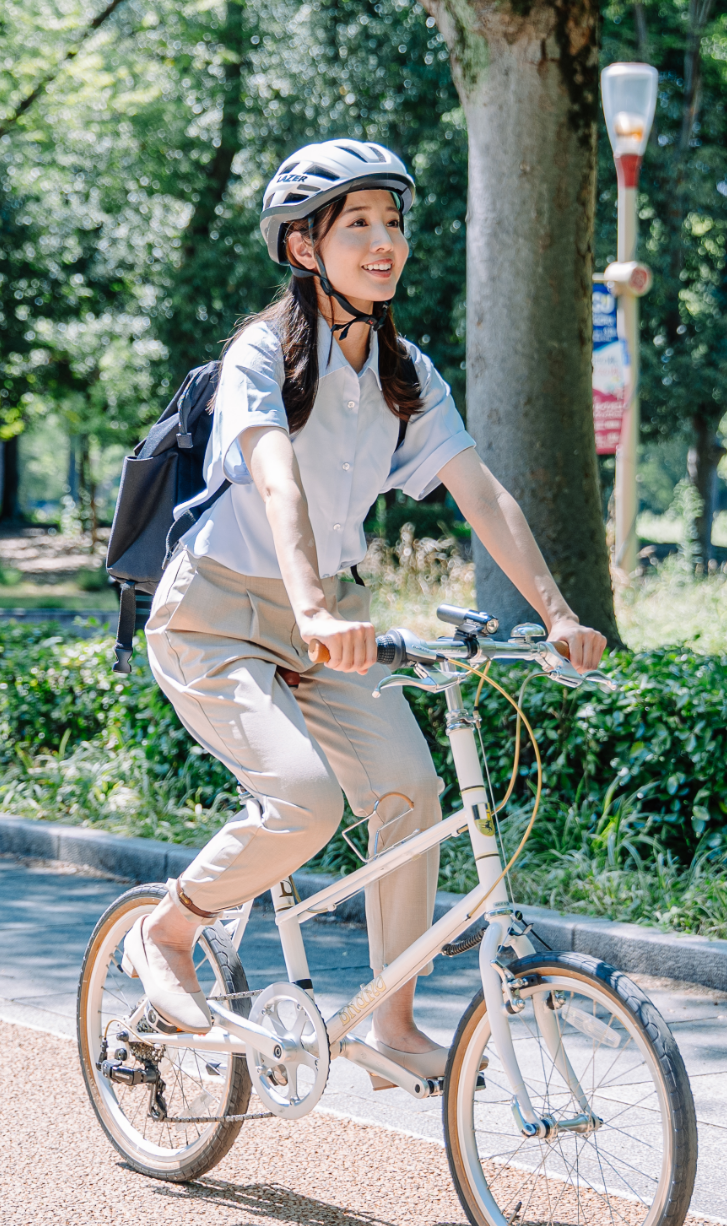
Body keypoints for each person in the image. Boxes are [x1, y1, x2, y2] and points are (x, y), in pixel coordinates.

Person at [123, 137, 606, 1078]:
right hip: (216, 613)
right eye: (358, 226)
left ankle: (390, 1022)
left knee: (413, 792)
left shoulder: (404, 370)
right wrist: (310, 609)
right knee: (302, 800)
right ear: (304, 247)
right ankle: (168, 931)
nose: (385, 243)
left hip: (332, 616)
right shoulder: (260, 354)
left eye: (394, 222)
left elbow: (480, 492)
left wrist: (557, 613)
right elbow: (277, 483)